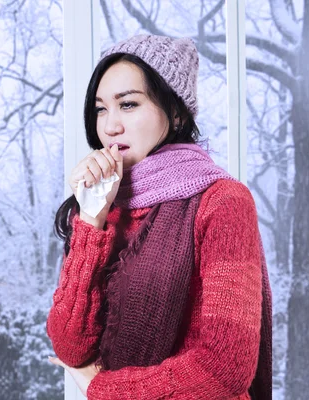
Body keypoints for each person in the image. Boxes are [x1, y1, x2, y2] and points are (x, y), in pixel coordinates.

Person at [46, 34, 272, 400]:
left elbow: (224, 368)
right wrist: (91, 218)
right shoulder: (102, 202)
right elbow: (71, 348)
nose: (110, 126)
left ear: (177, 111)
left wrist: (99, 387)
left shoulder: (223, 202)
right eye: (101, 108)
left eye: (129, 105)